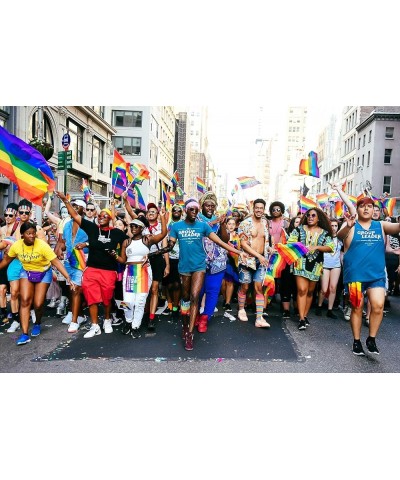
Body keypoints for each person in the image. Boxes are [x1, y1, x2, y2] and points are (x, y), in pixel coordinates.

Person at [148, 199, 246, 351]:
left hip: (200, 266)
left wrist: (239, 252)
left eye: (196, 209)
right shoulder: (176, 226)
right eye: (191, 209)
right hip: (184, 267)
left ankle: (189, 333)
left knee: (195, 296)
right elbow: (170, 246)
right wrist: (152, 254)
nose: (194, 212)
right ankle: (185, 325)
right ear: (185, 211)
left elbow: (220, 242)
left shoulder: (203, 226)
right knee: (185, 298)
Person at [55, 191, 127, 339]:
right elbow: (75, 216)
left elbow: (126, 252)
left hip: (109, 272)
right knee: (92, 298)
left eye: (105, 216)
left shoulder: (117, 234)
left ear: (110, 218)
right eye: (100, 216)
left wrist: (116, 255)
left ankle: (107, 320)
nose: (101, 218)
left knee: (107, 298)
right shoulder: (92, 229)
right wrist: (65, 201)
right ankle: (95, 326)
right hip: (91, 270)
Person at [337, 195, 400, 355]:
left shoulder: (381, 226)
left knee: (378, 306)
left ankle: (371, 339)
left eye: (370, 206)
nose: (366, 209)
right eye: (362, 206)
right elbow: (339, 236)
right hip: (355, 277)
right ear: (357, 209)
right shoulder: (350, 225)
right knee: (357, 308)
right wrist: (348, 226)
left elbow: (397, 227)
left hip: (376, 275)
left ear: (374, 210)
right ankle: (356, 341)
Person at [0, 222, 76, 345]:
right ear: (22, 235)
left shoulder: (42, 246)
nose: (31, 236)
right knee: (25, 300)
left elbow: (55, 262)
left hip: (44, 272)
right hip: (27, 272)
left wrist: (68, 277)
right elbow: (6, 260)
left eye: (33, 233)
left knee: (38, 303)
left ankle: (37, 323)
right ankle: (25, 334)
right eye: (28, 233)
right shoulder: (17, 246)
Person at [112, 211, 167, 338]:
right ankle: (128, 321)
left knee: (140, 301)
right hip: (130, 271)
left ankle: (135, 326)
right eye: (132, 226)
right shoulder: (127, 242)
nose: (133, 228)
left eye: (136, 226)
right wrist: (114, 255)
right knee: (128, 301)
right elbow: (123, 260)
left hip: (144, 271)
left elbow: (164, 234)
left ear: (142, 228)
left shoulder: (147, 239)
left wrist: (163, 217)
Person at [287, 208, 334, 331]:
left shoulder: (325, 233)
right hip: (300, 262)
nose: (310, 217)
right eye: (308, 215)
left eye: (313, 215)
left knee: (310, 291)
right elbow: (290, 242)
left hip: (316, 264)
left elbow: (330, 247)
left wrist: (316, 247)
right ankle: (301, 318)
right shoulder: (299, 229)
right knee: (302, 290)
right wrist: (301, 246)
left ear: (319, 218)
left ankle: (305, 315)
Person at [237, 198, 272, 328]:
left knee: (258, 288)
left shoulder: (265, 223)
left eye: (261, 208)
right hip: (247, 260)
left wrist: (269, 249)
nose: (259, 210)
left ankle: (259, 318)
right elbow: (243, 244)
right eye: (256, 207)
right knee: (245, 287)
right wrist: (258, 255)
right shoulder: (245, 223)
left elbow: (265, 241)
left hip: (261, 261)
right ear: (253, 208)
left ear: (264, 210)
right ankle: (241, 309)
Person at [196, 191, 228, 333]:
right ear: (202, 206)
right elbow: (199, 230)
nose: (209, 208)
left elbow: (225, 240)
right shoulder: (195, 218)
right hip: (199, 260)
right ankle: (195, 314)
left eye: (212, 206)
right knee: (198, 290)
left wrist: (222, 224)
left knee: (212, 290)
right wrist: (214, 222)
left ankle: (205, 318)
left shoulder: (218, 219)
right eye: (207, 205)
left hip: (217, 261)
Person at [56, 199, 89, 333]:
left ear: (83, 210)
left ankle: (74, 321)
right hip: (69, 261)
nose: (73, 208)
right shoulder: (67, 224)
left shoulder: (88, 225)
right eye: (72, 205)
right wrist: (60, 249)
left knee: (76, 290)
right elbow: (64, 242)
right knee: (71, 290)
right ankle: (79, 315)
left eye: (77, 206)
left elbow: (95, 242)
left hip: (83, 261)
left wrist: (86, 245)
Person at [315, 218, 343, 319]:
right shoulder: (324, 237)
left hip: (336, 265)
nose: (334, 228)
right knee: (324, 288)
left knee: (333, 288)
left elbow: (342, 252)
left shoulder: (340, 238)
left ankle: (330, 310)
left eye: (336, 226)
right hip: (325, 265)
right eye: (332, 225)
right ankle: (319, 306)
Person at [267, 200, 290, 316]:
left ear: (281, 210)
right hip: (270, 252)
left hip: (282, 254)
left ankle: (284, 305)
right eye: (273, 209)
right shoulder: (267, 222)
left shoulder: (285, 223)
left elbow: (289, 236)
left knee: (283, 279)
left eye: (278, 209)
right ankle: (268, 302)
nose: (275, 211)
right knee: (270, 277)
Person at [161, 204, 183, 321]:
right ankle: (170, 304)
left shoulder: (184, 224)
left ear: (181, 212)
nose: (176, 211)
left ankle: (175, 308)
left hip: (181, 258)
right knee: (169, 284)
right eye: (174, 210)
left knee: (177, 284)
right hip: (168, 258)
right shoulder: (168, 223)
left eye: (179, 210)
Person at [0, 202, 19, 325]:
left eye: (10, 215)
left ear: (15, 216)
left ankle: (16, 315)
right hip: (3, 261)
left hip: (14, 262)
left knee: (14, 291)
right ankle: (3, 314)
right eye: (5, 215)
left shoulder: (18, 228)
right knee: (1, 289)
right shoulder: (1, 229)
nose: (7, 217)